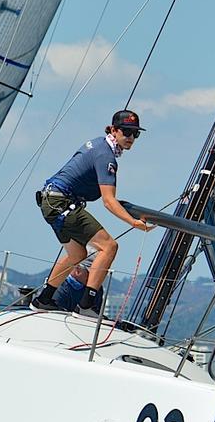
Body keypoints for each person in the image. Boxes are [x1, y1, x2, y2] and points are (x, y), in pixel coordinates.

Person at [30, 109, 152, 316]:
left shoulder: (98, 144)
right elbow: (108, 201)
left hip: (51, 201)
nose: (131, 137)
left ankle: (43, 299)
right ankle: (87, 306)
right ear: (114, 130)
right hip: (62, 203)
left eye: (135, 134)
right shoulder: (106, 156)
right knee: (109, 247)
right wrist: (134, 223)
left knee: (78, 255)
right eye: (126, 132)